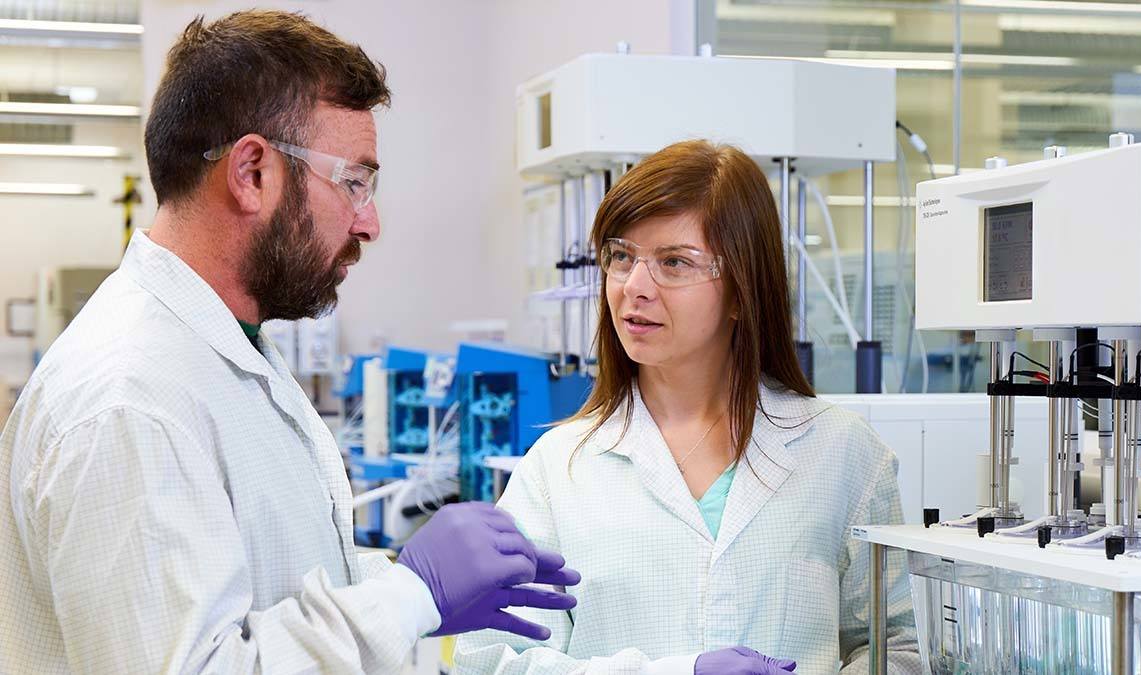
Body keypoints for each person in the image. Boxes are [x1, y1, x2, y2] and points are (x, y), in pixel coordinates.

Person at [0, 11, 578, 674]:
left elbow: (272, 578)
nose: (371, 220)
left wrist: (403, 594)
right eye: (354, 181)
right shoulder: (130, 398)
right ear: (252, 172)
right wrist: (410, 593)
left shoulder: (225, 349)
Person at [455, 140, 920, 674]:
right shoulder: (558, 468)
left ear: (744, 290)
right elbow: (494, 660)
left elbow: (893, 649)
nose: (634, 287)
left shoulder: (844, 454)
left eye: (674, 262)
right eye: (621, 256)